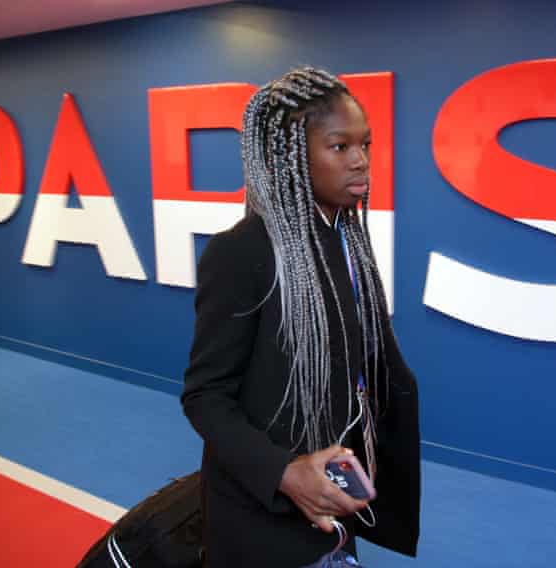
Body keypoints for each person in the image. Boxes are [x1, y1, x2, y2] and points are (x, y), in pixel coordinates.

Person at [181, 67, 420, 567]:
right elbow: (205, 396)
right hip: (261, 521)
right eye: (339, 147)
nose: (361, 162)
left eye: (366, 145)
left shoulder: (349, 240)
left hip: (333, 509)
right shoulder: (242, 253)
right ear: (288, 157)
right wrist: (285, 473)